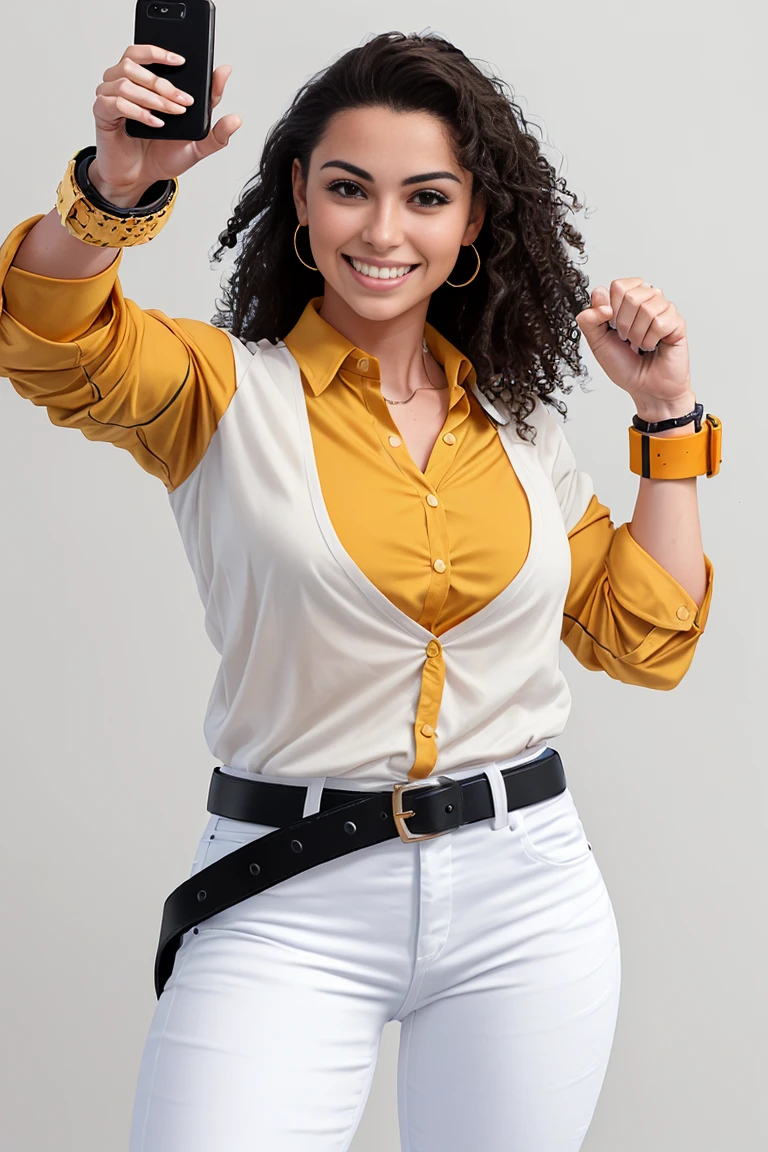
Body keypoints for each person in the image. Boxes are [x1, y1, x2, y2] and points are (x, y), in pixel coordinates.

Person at [0, 29, 719, 1152]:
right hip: (287, 900)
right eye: (349, 190)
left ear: (472, 218)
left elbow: (645, 637)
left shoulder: (522, 434)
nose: (384, 233)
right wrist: (114, 190)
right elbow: (51, 341)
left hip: (528, 899)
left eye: (425, 197)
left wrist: (666, 418)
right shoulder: (219, 393)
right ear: (299, 195)